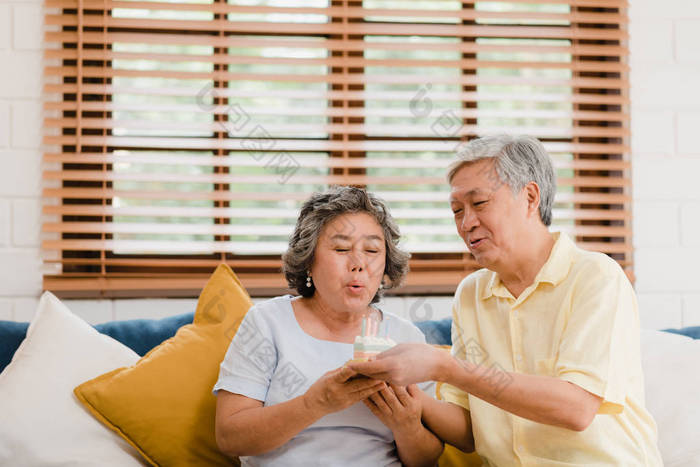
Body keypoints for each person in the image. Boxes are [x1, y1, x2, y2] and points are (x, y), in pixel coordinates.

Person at [350, 135, 663, 465]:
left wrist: (444, 366)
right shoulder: (471, 294)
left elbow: (576, 408)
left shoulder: (596, 277)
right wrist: (404, 397)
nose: (467, 223)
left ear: (529, 198)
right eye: (457, 210)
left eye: (479, 204)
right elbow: (470, 432)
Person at [213, 186, 443, 467]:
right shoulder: (267, 323)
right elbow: (229, 438)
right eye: (341, 248)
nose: (359, 264)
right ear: (308, 259)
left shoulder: (405, 337)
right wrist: (315, 403)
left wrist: (407, 425)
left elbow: (427, 460)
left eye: (372, 250)